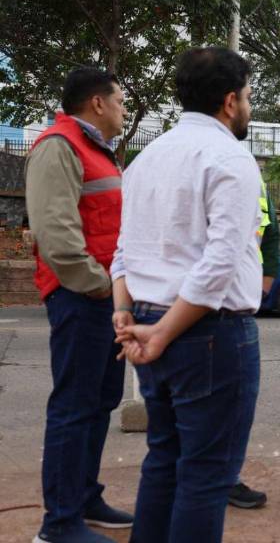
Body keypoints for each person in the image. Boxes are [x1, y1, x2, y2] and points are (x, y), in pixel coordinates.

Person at [111, 47, 262, 543]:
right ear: (229, 101)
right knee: (205, 475)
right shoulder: (230, 158)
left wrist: (126, 311)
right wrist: (160, 331)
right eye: (247, 97)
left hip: (154, 321)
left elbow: (123, 250)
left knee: (164, 459)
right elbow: (219, 264)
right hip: (206, 333)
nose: (248, 106)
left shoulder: (147, 159)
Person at [25, 67, 132, 543]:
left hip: (103, 298)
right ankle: (59, 524)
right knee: (74, 406)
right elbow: (56, 234)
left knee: (99, 402)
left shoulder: (96, 150)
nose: (124, 109)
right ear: (97, 103)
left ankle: (84, 498)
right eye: (120, 100)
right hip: (81, 297)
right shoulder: (59, 146)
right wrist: (100, 286)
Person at [228, 181, 280, 509]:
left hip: (236, 306)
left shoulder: (253, 179)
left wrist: (260, 290)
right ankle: (217, 479)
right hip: (218, 306)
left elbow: (269, 235)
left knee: (236, 404)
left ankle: (225, 477)